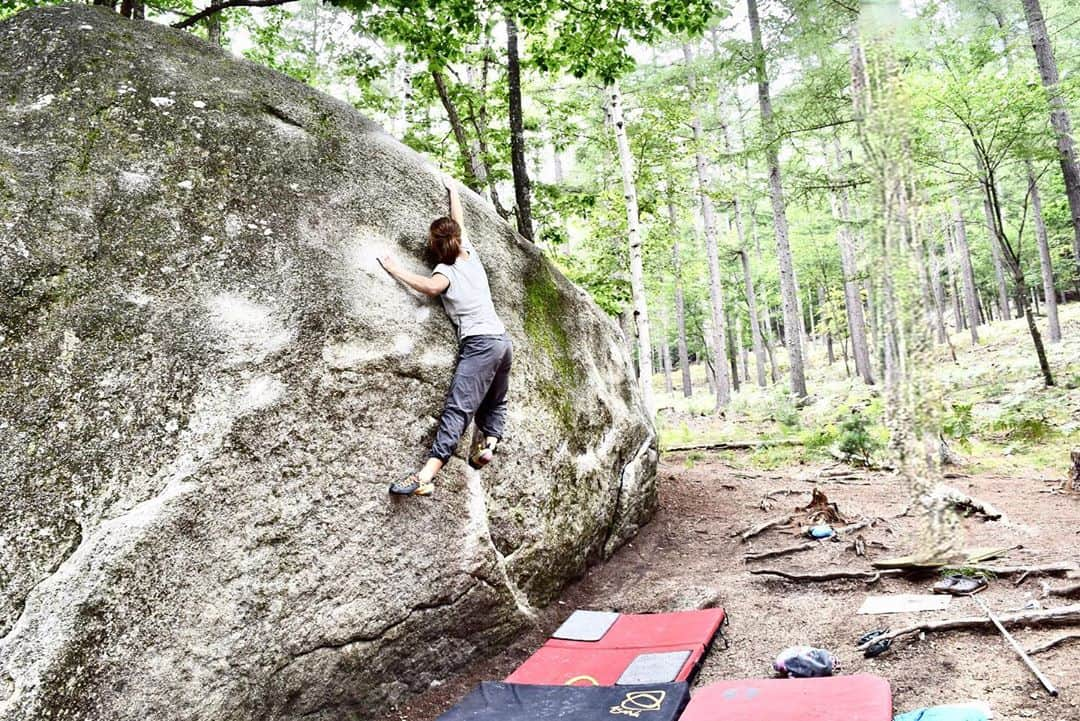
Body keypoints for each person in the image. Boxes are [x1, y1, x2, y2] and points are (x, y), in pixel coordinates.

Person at [378, 174, 512, 496]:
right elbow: (458, 223)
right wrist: (453, 191)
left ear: (433, 246)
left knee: (459, 408)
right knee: (496, 399)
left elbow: (429, 287)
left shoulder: (445, 272)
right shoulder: (470, 255)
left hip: (479, 345)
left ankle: (426, 475)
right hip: (502, 343)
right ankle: (490, 441)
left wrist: (395, 268)